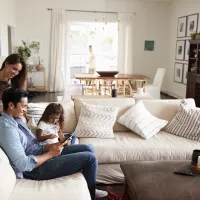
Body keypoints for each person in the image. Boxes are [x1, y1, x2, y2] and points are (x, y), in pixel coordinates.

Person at [0, 88, 107, 200]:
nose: (25, 110)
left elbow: (32, 145)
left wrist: (49, 147)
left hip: (41, 153)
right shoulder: (7, 129)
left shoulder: (16, 120)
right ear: (11, 105)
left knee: (88, 147)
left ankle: (90, 185)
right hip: (35, 169)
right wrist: (50, 154)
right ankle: (91, 195)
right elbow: (23, 164)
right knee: (90, 158)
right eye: (23, 106)